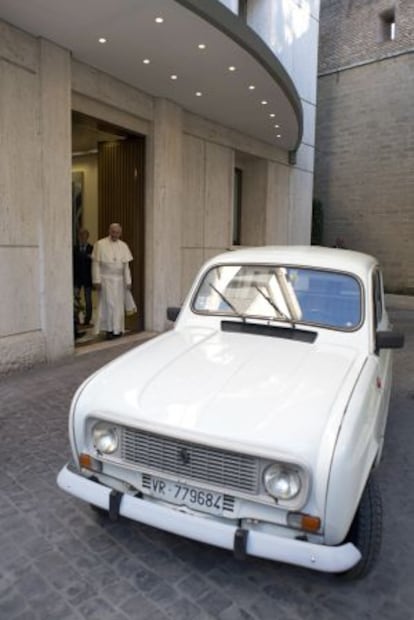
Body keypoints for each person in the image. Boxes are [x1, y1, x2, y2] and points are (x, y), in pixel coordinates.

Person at [92, 223, 133, 339]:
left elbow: (126, 266)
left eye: (117, 232)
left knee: (118, 306)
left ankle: (118, 329)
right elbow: (96, 264)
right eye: (113, 232)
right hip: (105, 280)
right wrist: (96, 280)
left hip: (119, 281)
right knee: (108, 305)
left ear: (120, 233)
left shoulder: (124, 246)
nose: (115, 234)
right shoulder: (100, 244)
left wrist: (128, 281)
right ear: (109, 231)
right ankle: (109, 330)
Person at [73, 228, 93, 327]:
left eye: (84, 235)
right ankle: (75, 320)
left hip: (88, 279)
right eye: (80, 235)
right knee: (75, 299)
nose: (82, 237)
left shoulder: (92, 249)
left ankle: (87, 320)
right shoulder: (74, 248)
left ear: (87, 237)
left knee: (88, 300)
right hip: (76, 278)